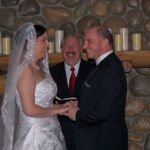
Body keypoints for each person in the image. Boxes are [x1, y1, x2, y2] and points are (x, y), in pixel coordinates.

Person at [1, 23, 70, 150]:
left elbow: (43, 103)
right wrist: (57, 111)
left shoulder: (39, 67)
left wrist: (61, 106)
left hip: (50, 131)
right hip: (34, 137)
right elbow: (29, 109)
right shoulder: (25, 70)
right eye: (43, 40)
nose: (47, 45)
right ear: (30, 43)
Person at [65, 25, 128, 150]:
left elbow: (102, 112)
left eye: (89, 41)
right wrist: (80, 104)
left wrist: (76, 114)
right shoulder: (103, 65)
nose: (84, 46)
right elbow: (100, 97)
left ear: (104, 42)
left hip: (104, 142)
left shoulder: (109, 69)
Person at [50, 33, 95, 150]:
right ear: (61, 50)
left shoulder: (94, 71)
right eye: (66, 46)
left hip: (87, 136)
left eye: (74, 46)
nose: (70, 49)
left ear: (81, 49)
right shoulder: (51, 72)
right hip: (58, 136)